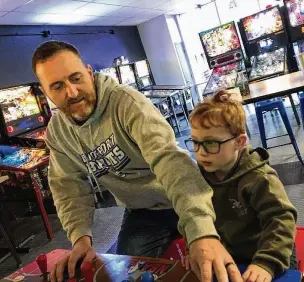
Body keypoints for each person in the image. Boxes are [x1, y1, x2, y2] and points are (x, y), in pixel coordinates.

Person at [31, 41, 243, 282]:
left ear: (89, 73)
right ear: (45, 92)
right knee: (127, 277)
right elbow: (68, 187)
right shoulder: (58, 133)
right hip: (143, 211)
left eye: (76, 78)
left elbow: (170, 162)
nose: (71, 92)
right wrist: (80, 239)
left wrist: (202, 233)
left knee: (230, 263)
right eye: (57, 86)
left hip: (184, 194)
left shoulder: (125, 103)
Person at [183, 89, 298, 282]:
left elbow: (281, 219)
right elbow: (192, 214)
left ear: (239, 142)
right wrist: (195, 243)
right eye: (195, 142)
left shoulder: (260, 178)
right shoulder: (198, 176)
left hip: (268, 252)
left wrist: (266, 263)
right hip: (228, 253)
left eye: (211, 143)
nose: (201, 152)